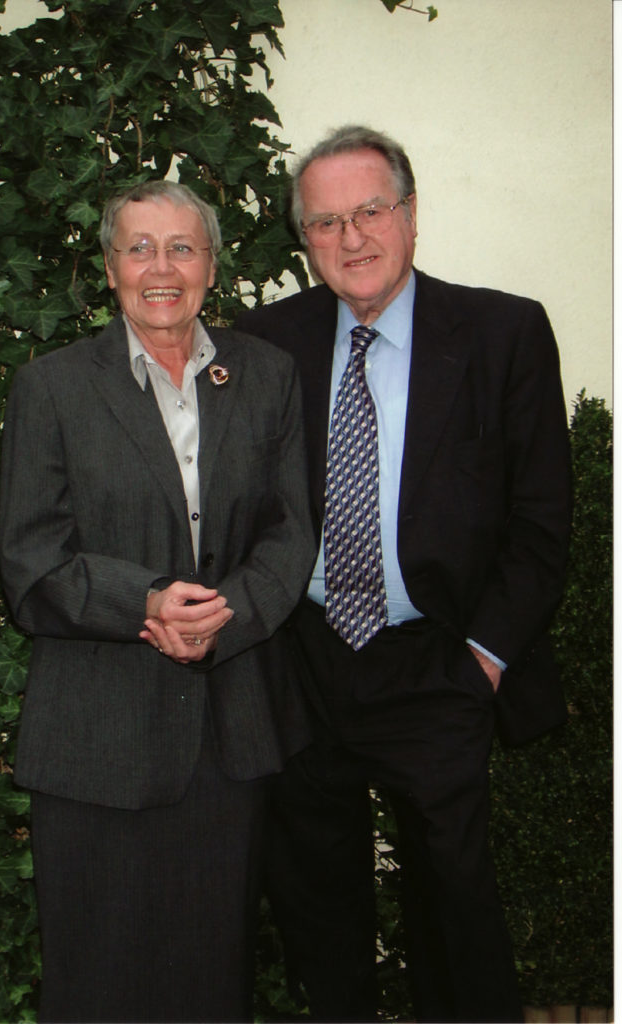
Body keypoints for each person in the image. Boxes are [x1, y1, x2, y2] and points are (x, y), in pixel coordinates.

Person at [235, 125, 572, 1023]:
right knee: (315, 902)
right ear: (303, 241)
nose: (352, 240)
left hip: (436, 659)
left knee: (455, 905)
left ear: (411, 215)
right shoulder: (264, 344)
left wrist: (484, 660)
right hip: (304, 660)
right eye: (325, 223)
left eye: (371, 212)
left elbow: (542, 526)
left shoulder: (503, 332)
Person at [0, 179, 315, 1023]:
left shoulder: (267, 376)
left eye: (182, 247)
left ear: (212, 265)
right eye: (140, 248)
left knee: (210, 985)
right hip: (93, 740)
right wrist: (143, 605)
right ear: (109, 269)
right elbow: (30, 562)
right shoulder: (53, 388)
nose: (161, 267)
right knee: (97, 985)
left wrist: (225, 617)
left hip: (228, 733)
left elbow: (291, 532)